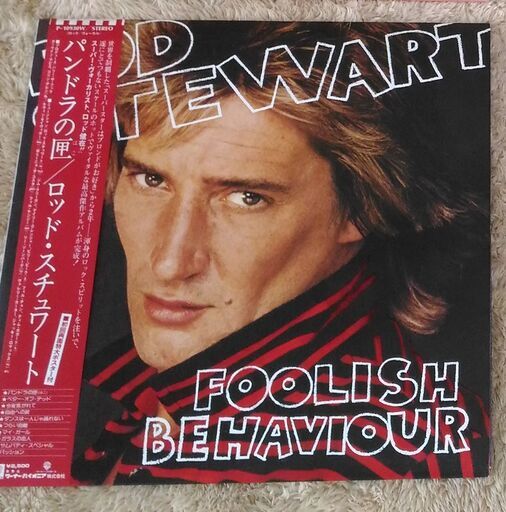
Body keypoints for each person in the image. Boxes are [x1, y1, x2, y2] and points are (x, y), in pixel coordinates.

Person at [72, 21, 489, 484]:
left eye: (246, 197)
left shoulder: (410, 457)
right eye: (151, 180)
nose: (169, 263)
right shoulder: (141, 400)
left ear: (362, 209)